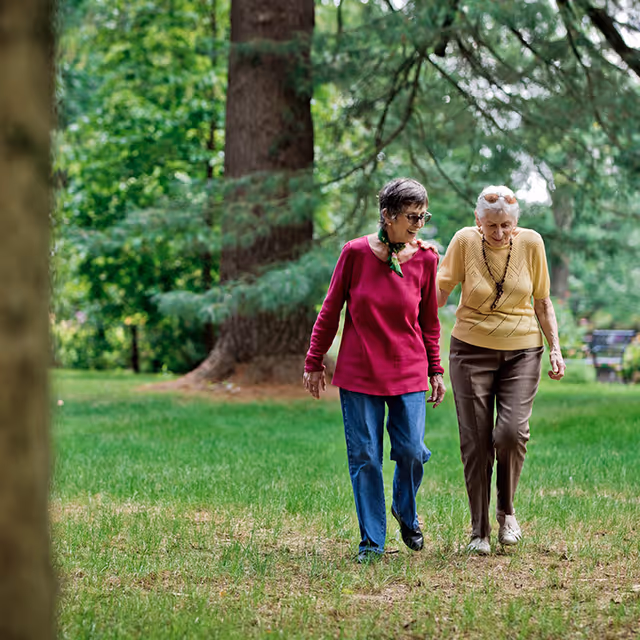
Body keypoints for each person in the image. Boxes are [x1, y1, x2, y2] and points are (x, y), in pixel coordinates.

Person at [303, 178, 446, 563]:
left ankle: (405, 510)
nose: (418, 224)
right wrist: (314, 360)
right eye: (412, 216)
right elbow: (331, 310)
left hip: (409, 372)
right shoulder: (353, 254)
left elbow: (429, 321)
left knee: (412, 451)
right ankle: (372, 542)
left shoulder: (427, 259)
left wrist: (436, 368)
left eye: (422, 216)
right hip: (360, 373)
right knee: (365, 455)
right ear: (388, 215)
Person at [437, 185, 565, 555]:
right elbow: (438, 290)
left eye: (506, 225)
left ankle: (507, 512)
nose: (498, 233)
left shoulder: (531, 244)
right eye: (491, 225)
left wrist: (555, 348)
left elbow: (542, 300)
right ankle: (479, 530)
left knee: (510, 432)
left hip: (522, 350)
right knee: (476, 441)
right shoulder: (464, 242)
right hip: (470, 350)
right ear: (478, 222)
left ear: (516, 222)